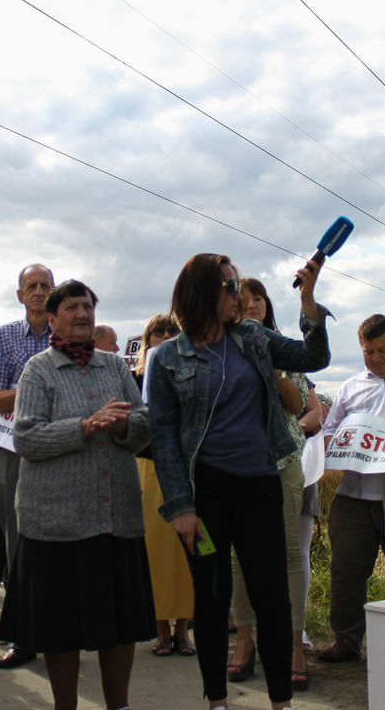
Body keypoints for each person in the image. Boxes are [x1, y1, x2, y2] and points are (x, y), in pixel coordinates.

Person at [148, 253, 330, 710]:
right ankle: (216, 700)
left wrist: (309, 302)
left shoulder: (253, 337)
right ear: (204, 294)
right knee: (212, 598)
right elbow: (164, 439)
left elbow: (313, 357)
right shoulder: (167, 357)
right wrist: (181, 508)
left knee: (272, 596)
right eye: (230, 287)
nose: (240, 296)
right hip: (206, 494)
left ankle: (280, 702)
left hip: (260, 486)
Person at [0, 279, 153, 710]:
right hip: (57, 525)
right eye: (71, 308)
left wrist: (123, 426)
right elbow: (26, 438)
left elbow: (142, 426)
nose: (82, 314)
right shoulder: (38, 370)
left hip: (115, 518)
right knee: (59, 628)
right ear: (52, 319)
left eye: (87, 307)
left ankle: (118, 705)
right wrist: (86, 426)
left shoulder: (115, 367)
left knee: (118, 625)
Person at [228, 278, 321, 690]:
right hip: (234, 464)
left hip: (281, 462)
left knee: (288, 554)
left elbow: (300, 405)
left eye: (257, 299)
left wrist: (274, 366)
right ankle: (244, 640)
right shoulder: (221, 347)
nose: (250, 306)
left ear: (267, 305)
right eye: (241, 300)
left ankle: (292, 643)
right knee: (237, 556)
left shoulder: (282, 346)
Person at [0, 263, 54, 668]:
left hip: (59, 452)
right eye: (31, 286)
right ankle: (21, 635)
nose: (39, 292)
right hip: (10, 450)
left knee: (55, 544)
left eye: (45, 286)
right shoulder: (4, 336)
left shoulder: (69, 335)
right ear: (20, 294)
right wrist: (38, 387)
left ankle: (52, 629)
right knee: (14, 545)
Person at [316, 315, 385, 663]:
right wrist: (334, 443)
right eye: (368, 351)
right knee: (347, 572)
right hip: (353, 497)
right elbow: (330, 430)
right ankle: (346, 639)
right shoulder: (351, 387)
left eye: (383, 350)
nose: (376, 357)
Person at [133, 314, 195, 658]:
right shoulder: (135, 377)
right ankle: (160, 632)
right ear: (148, 339)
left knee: (195, 549)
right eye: (160, 331)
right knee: (153, 553)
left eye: (173, 331)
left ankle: (185, 630)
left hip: (190, 474)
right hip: (149, 470)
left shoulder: (192, 373)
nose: (167, 336)